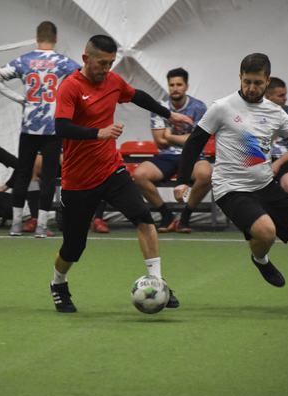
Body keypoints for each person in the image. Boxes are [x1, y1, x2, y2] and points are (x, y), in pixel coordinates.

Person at [174, 53, 288, 312]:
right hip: (231, 189)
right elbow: (194, 142)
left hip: (265, 186)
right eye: (247, 82)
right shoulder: (222, 107)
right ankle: (260, 258)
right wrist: (182, 181)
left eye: (257, 83)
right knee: (266, 231)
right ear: (240, 77)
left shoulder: (274, 112)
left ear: (267, 81)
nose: (251, 88)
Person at [49, 34, 193, 313]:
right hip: (78, 181)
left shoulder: (113, 81)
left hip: (111, 169)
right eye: (101, 63)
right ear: (86, 58)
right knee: (73, 248)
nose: (106, 69)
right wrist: (98, 133)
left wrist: (169, 114)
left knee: (144, 217)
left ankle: (157, 281)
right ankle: (58, 283)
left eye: (111, 63)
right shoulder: (70, 87)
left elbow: (137, 96)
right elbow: (61, 127)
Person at [0, 21, 81, 238]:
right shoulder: (63, 62)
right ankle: (41, 226)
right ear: (56, 39)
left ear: (36, 38)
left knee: (23, 175)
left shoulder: (25, 60)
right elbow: (84, 81)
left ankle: (16, 225)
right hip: (52, 128)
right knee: (48, 178)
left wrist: (20, 99)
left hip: (29, 126)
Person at [133, 67, 211, 233]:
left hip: (194, 156)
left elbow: (196, 142)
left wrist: (169, 136)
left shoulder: (198, 107)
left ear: (186, 86)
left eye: (179, 84)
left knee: (206, 174)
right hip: (167, 156)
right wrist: (183, 139)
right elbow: (159, 142)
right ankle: (166, 215)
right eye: (172, 85)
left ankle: (185, 216)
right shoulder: (160, 106)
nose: (175, 88)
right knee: (139, 175)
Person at [264, 77, 288, 197]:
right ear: (268, 97)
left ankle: (276, 208)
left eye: (285, 94)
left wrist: (278, 163)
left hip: (283, 158)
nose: (285, 98)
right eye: (281, 96)